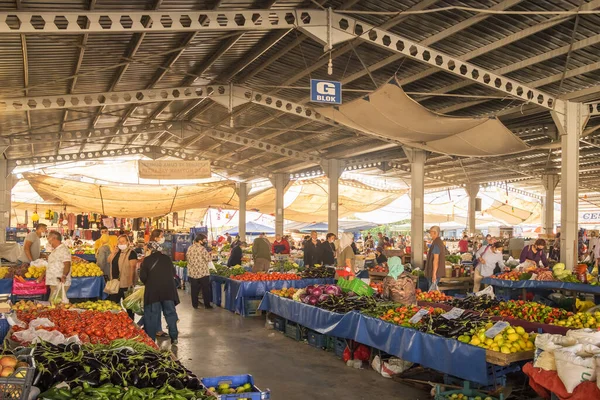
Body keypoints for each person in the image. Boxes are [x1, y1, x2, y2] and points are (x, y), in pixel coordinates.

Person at [139, 229, 179, 344]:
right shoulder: (167, 259)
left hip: (153, 292)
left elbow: (143, 277)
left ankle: (151, 339)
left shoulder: (146, 261)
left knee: (152, 315)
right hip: (168, 291)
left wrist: (151, 282)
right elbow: (173, 273)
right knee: (170, 314)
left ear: (151, 249)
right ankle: (174, 337)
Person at [107, 235, 136, 317]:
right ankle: (115, 322)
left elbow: (132, 268)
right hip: (114, 283)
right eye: (119, 242)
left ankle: (130, 322)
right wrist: (114, 252)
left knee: (128, 306)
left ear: (128, 242)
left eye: (123, 241)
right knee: (113, 305)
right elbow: (109, 260)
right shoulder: (117, 252)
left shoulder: (132, 253)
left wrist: (130, 283)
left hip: (125, 283)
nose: (121, 243)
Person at [38, 231, 72, 300]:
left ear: (54, 238)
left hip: (60, 282)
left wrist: (64, 276)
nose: (48, 241)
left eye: (48, 238)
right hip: (54, 282)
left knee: (56, 304)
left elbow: (67, 264)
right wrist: (42, 275)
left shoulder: (63, 250)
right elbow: (51, 264)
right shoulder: (55, 250)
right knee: (54, 303)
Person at [186, 234, 213, 310]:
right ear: (200, 241)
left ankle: (195, 305)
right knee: (205, 289)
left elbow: (187, 258)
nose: (205, 242)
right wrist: (210, 254)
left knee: (194, 289)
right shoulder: (202, 249)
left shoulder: (190, 248)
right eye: (204, 240)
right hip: (203, 272)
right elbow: (208, 259)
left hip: (192, 272)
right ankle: (207, 305)